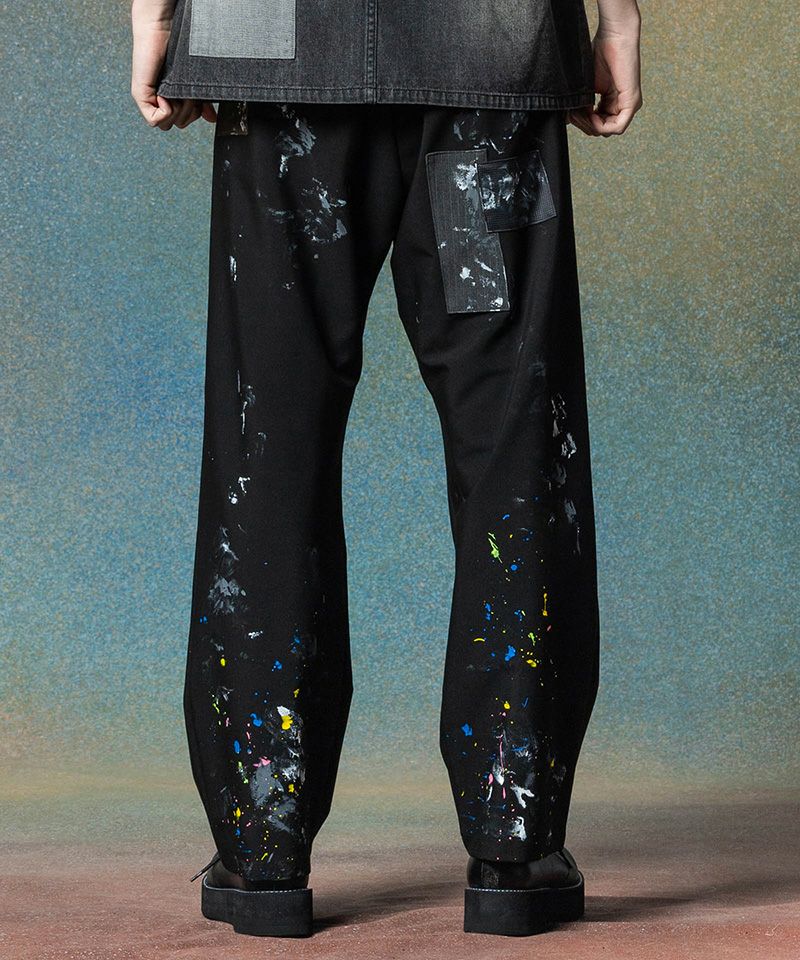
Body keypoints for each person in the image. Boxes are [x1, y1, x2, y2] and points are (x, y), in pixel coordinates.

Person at [130, 0, 642, 939]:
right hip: (489, 49)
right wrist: (616, 16)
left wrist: (155, 17)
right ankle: (515, 833)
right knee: (511, 431)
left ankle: (262, 839)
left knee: (268, 435)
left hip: (274, 41)